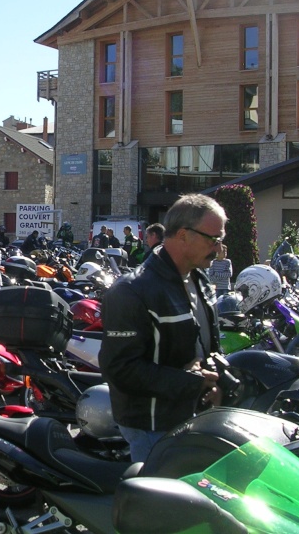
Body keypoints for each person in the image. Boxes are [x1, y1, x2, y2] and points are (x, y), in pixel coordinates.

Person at [99, 194, 225, 462]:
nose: (218, 248)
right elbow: (120, 369)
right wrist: (193, 383)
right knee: (159, 504)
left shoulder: (199, 280)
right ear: (183, 235)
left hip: (189, 416)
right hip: (152, 427)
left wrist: (217, 379)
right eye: (213, 239)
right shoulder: (132, 291)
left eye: (220, 240)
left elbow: (206, 345)